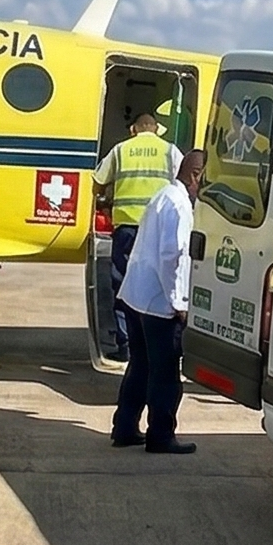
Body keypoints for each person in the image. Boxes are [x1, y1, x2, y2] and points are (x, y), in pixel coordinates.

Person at [112, 148, 203, 455]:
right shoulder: (180, 206)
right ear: (195, 176)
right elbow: (172, 256)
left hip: (136, 295)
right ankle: (160, 436)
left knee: (140, 366)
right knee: (165, 372)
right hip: (157, 302)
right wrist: (180, 302)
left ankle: (124, 428)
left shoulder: (163, 195)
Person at [90, 112, 180, 358]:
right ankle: (157, 344)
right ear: (156, 129)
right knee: (160, 284)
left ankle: (126, 346)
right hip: (160, 228)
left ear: (134, 130)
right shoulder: (170, 151)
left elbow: (97, 182)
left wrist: (108, 194)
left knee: (123, 284)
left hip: (127, 227)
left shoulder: (120, 150)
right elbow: (184, 183)